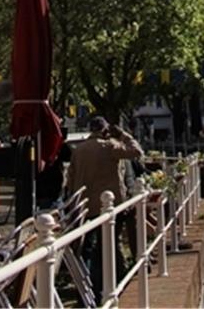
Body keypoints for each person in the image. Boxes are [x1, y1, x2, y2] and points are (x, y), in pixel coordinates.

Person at [67, 115, 143, 301]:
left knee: (87, 247)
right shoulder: (110, 147)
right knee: (109, 244)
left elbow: (70, 178)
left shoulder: (78, 150)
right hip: (109, 206)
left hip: (85, 206)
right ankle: (113, 282)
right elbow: (137, 151)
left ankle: (87, 288)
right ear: (105, 130)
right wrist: (123, 135)